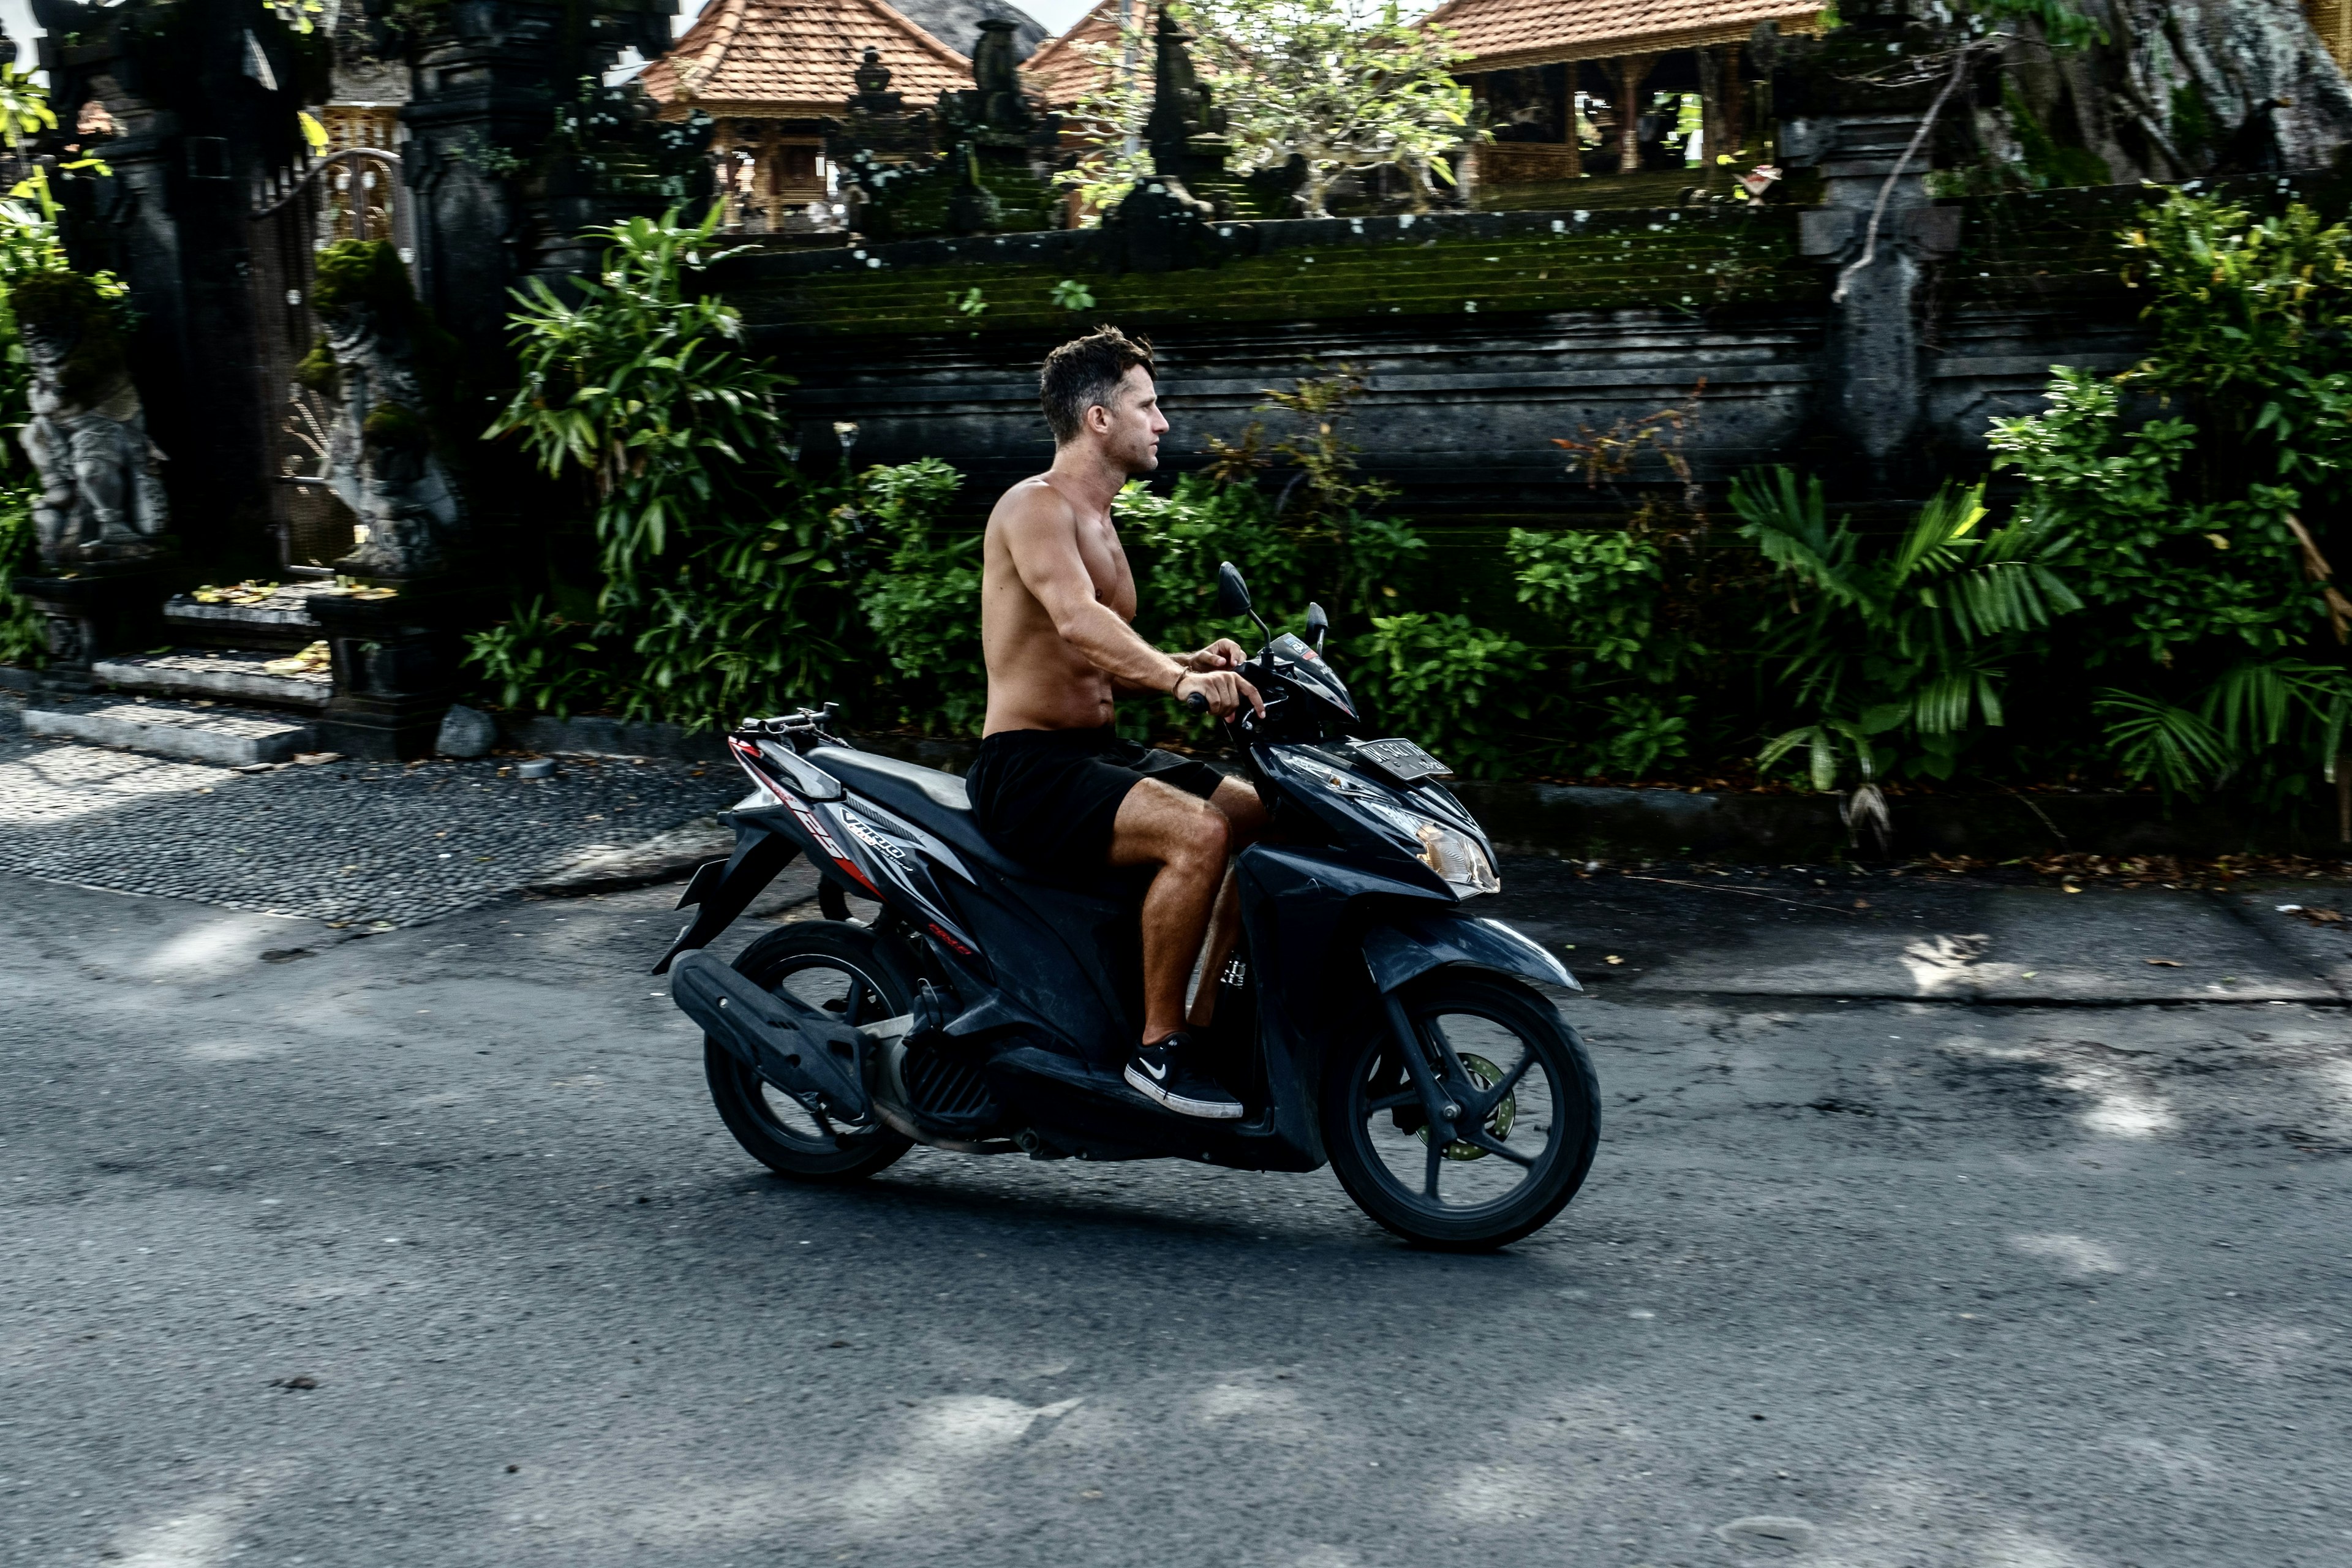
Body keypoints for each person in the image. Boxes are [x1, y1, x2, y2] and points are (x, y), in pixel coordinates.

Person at [965, 327, 1266, 1120]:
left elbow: (1098, 661)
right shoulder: (1034, 507)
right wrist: (1176, 682)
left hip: (1095, 753)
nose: (1163, 422)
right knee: (1198, 831)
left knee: (1255, 808)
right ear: (1100, 419)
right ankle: (1159, 1051)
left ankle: (1209, 1020)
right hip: (1030, 771)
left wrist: (1190, 662)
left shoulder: (1103, 521)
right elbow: (1074, 623)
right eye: (1148, 405)